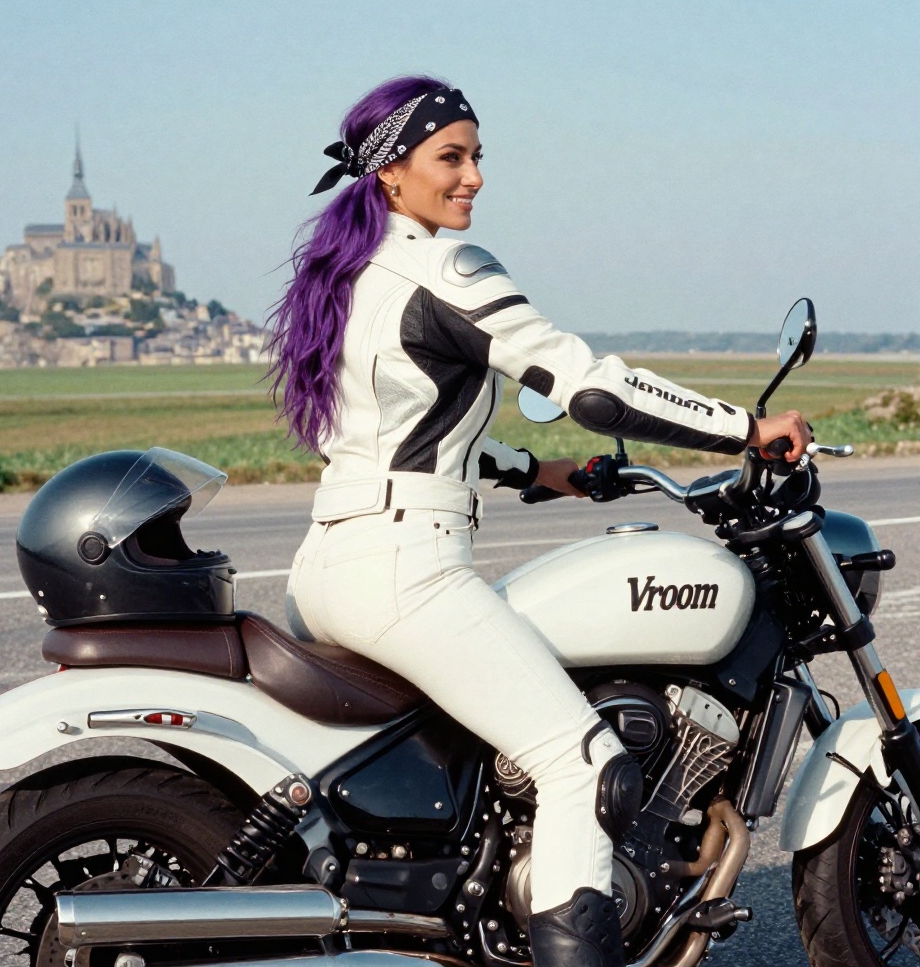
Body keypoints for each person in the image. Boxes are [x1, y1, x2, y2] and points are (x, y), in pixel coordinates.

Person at [268, 75, 810, 967]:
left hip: (331, 568)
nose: (475, 176)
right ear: (392, 173)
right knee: (584, 764)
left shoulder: (356, 273)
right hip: (404, 571)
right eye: (453, 157)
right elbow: (591, 386)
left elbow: (399, 432)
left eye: (479, 156)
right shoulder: (444, 269)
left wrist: (537, 471)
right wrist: (743, 427)